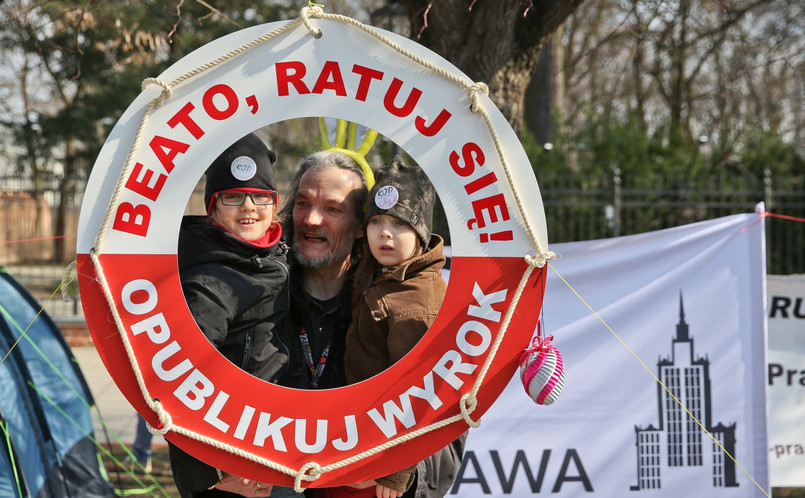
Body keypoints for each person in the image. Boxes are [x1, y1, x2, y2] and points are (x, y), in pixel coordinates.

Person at [168, 133, 292, 498]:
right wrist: (213, 479)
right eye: (233, 196)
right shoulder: (207, 282)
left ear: (274, 204)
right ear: (213, 208)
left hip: (284, 444)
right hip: (237, 468)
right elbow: (178, 385)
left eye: (260, 196)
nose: (248, 207)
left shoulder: (277, 258)